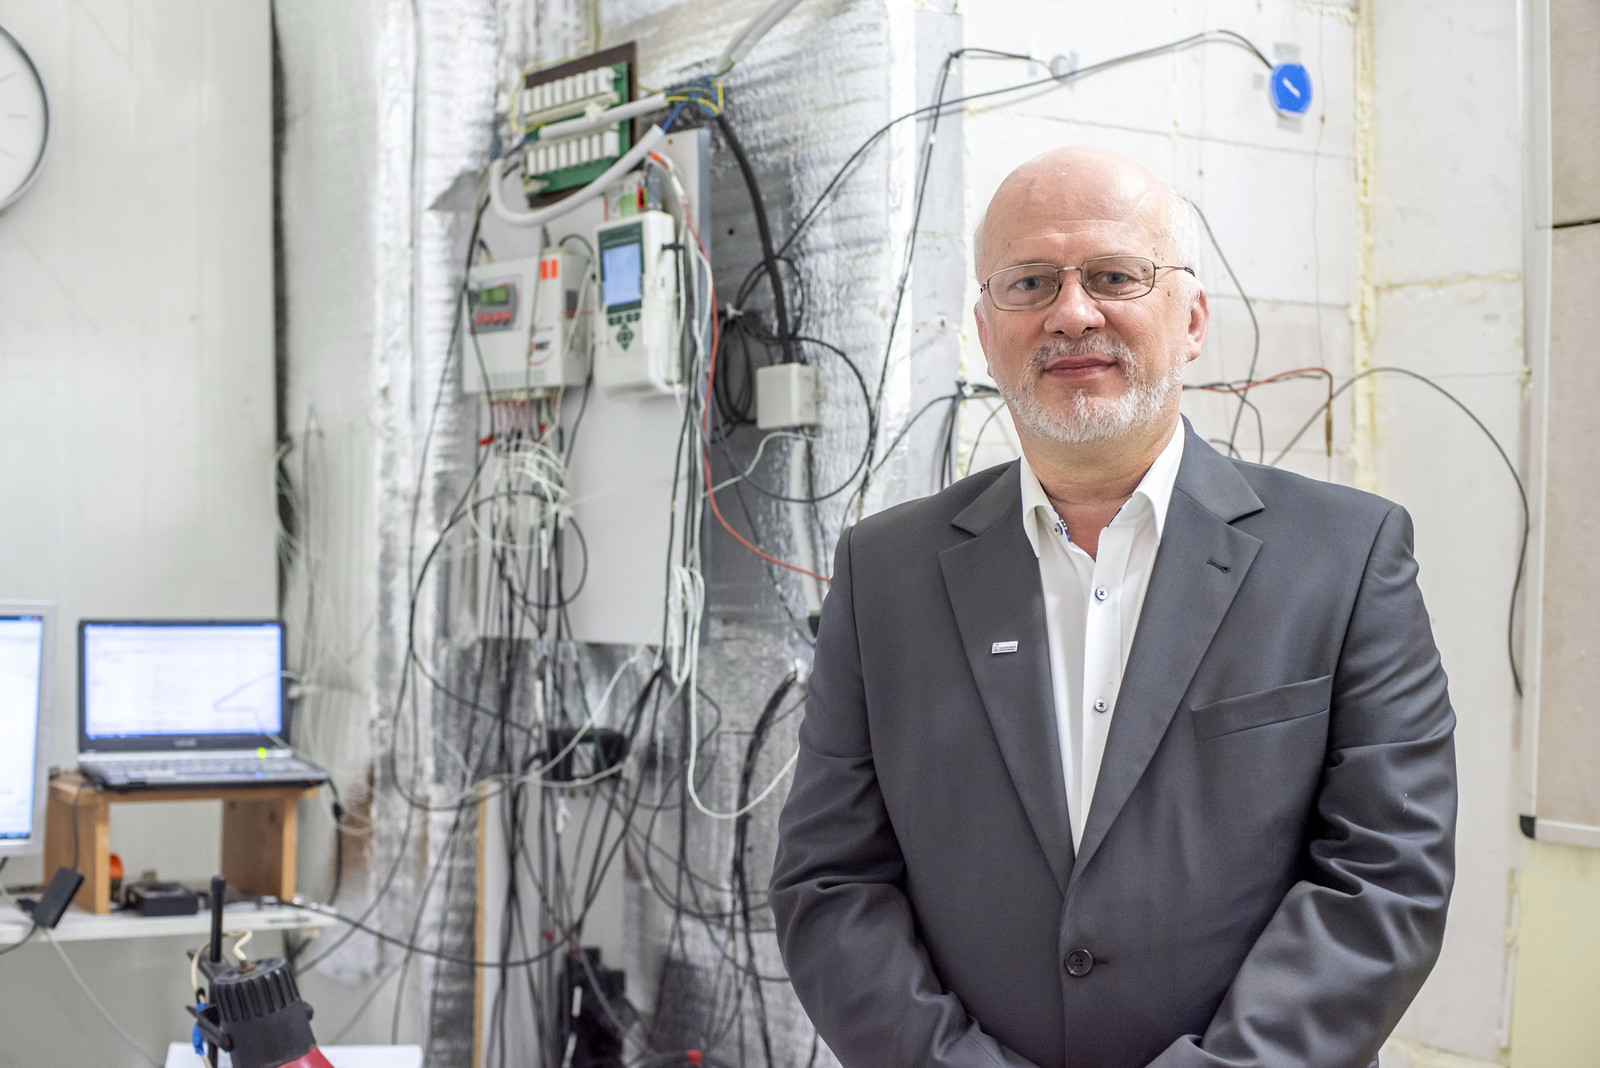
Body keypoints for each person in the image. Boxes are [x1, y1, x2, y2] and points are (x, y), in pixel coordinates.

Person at [768, 145, 1456, 1068]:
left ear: (1192, 318)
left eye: (1114, 276)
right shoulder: (883, 572)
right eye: (1030, 282)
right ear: (985, 331)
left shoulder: (1347, 557)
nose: (1072, 313)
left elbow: (1384, 878)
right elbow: (831, 883)